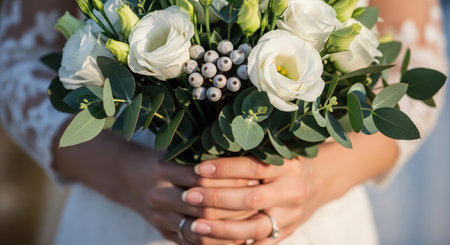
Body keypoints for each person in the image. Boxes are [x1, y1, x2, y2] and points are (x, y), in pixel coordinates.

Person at [0, 0, 447, 244]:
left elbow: (413, 65)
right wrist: (125, 175)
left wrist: (317, 181)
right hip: (123, 213)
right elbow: (18, 63)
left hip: (313, 218)